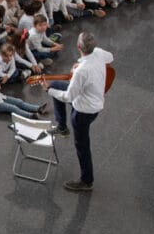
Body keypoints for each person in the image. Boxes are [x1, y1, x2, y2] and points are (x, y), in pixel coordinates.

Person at [47, 31, 113, 192]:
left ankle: (86, 180)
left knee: (82, 145)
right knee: (57, 84)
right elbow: (111, 57)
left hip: (83, 111)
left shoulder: (82, 71)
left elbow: (69, 96)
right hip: (96, 101)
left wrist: (48, 90)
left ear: (78, 47)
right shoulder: (98, 53)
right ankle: (62, 125)